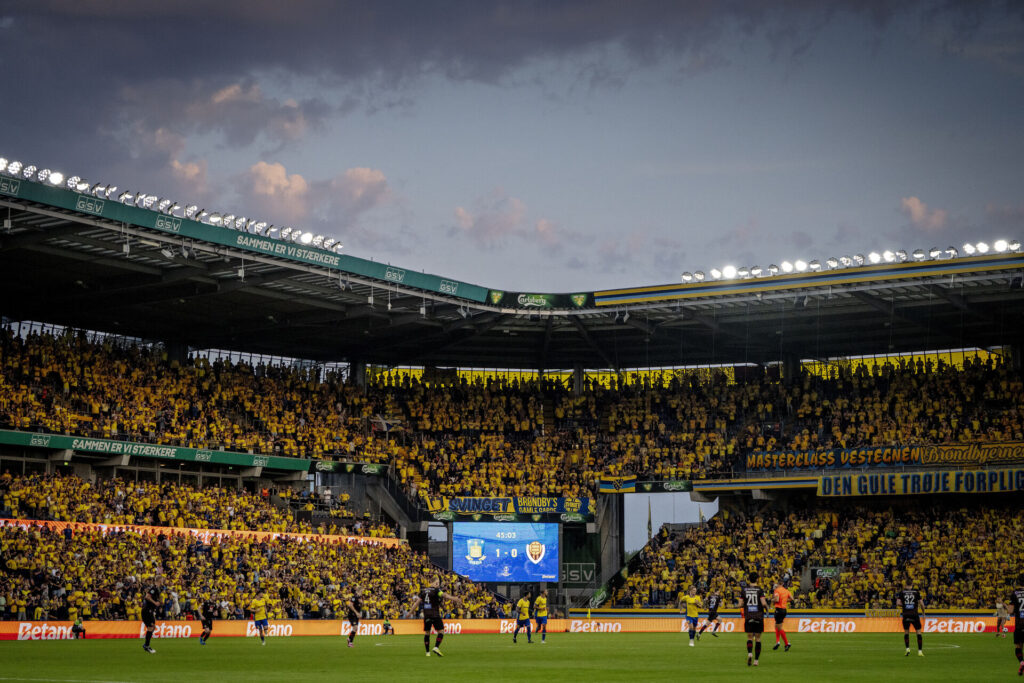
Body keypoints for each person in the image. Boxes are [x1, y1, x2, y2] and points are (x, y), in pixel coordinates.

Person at [410, 576, 463, 657]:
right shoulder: (436, 590)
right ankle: (436, 647)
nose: (438, 585)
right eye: (437, 583)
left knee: (427, 633)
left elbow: (417, 603)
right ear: (435, 582)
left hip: (426, 614)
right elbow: (444, 595)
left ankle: (427, 653)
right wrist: (454, 598)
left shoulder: (423, 591)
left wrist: (410, 612)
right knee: (441, 631)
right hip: (435, 614)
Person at [742, 572, 769, 667]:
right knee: (758, 639)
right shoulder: (760, 590)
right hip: (758, 616)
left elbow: (740, 604)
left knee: (749, 637)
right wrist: (767, 609)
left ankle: (750, 653)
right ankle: (756, 661)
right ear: (757, 579)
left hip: (749, 616)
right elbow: (763, 603)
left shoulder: (744, 590)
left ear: (749, 579)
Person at [896, 581, 924, 657]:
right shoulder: (916, 592)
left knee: (906, 632)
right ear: (912, 585)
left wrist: (905, 605)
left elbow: (898, 603)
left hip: (906, 614)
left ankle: (907, 648)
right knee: (918, 632)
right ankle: (920, 651)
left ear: (905, 585)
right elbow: (921, 604)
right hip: (914, 614)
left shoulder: (902, 592)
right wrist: (923, 612)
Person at [141, 575, 163, 654]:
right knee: (151, 627)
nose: (163, 581)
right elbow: (147, 596)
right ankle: (146, 646)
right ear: (160, 580)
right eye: (162, 580)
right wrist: (155, 603)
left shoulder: (158, 589)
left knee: (153, 627)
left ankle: (146, 645)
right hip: (147, 610)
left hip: (150, 610)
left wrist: (160, 603)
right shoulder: (154, 588)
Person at [1008, 578, 1024, 675]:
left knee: (1018, 646)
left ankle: (1022, 662)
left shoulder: (1015, 594)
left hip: (1019, 624)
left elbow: (1010, 611)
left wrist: (1005, 604)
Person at [772, 582, 792, 651]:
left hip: (778, 610)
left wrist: (771, 600)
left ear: (778, 584)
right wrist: (784, 601)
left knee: (779, 627)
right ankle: (777, 641)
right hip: (784, 610)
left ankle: (786, 643)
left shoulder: (777, 590)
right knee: (777, 625)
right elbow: (792, 598)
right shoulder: (786, 591)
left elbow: (777, 599)